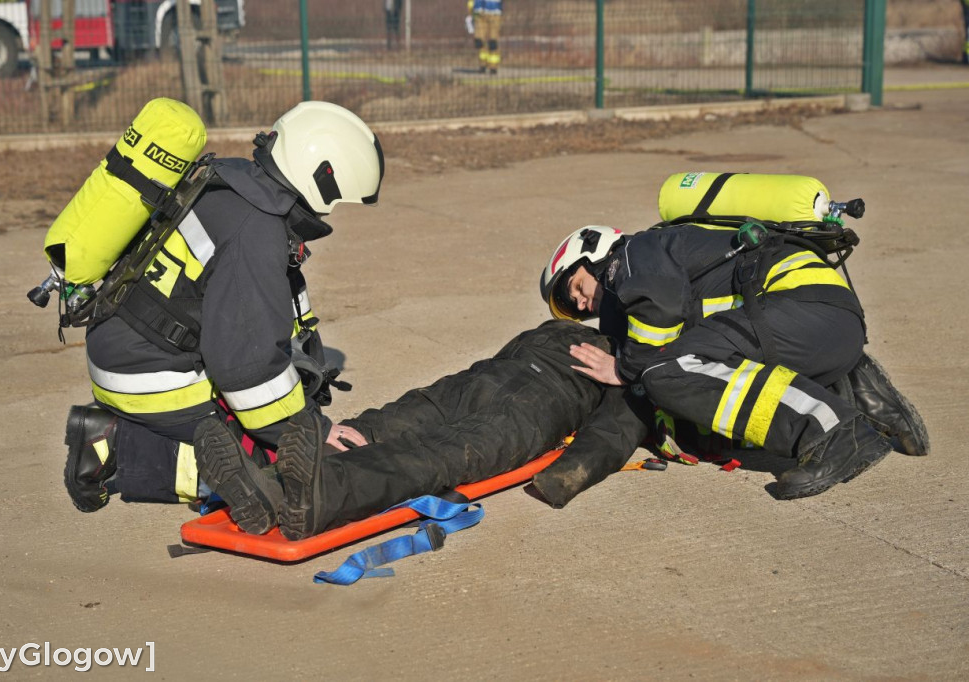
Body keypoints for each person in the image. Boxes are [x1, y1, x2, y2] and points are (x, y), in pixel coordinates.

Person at [63, 101, 386, 513]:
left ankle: (135, 432)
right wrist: (311, 431)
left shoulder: (234, 183)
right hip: (147, 375)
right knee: (276, 472)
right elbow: (246, 370)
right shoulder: (256, 231)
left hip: (126, 343)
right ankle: (112, 444)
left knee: (265, 439)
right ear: (322, 179)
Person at [540, 224, 929, 500]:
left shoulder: (634, 254)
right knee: (688, 368)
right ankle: (850, 381)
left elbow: (661, 306)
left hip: (797, 303)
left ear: (592, 254)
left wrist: (624, 368)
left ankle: (835, 433)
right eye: (574, 308)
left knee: (665, 371)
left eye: (575, 287)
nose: (579, 303)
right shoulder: (661, 257)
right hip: (825, 324)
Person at [193, 320, 652, 538]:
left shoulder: (634, 362)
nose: (584, 303)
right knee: (387, 426)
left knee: (433, 450)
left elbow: (616, 429)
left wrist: (566, 476)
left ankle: (321, 494)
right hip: (484, 383)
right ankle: (270, 487)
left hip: (532, 408)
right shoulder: (563, 328)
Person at [467, 0, 503, 74]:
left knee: (493, 42)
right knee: (479, 41)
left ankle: (493, 67)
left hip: (494, 12)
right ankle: (482, 65)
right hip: (479, 12)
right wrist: (471, 8)